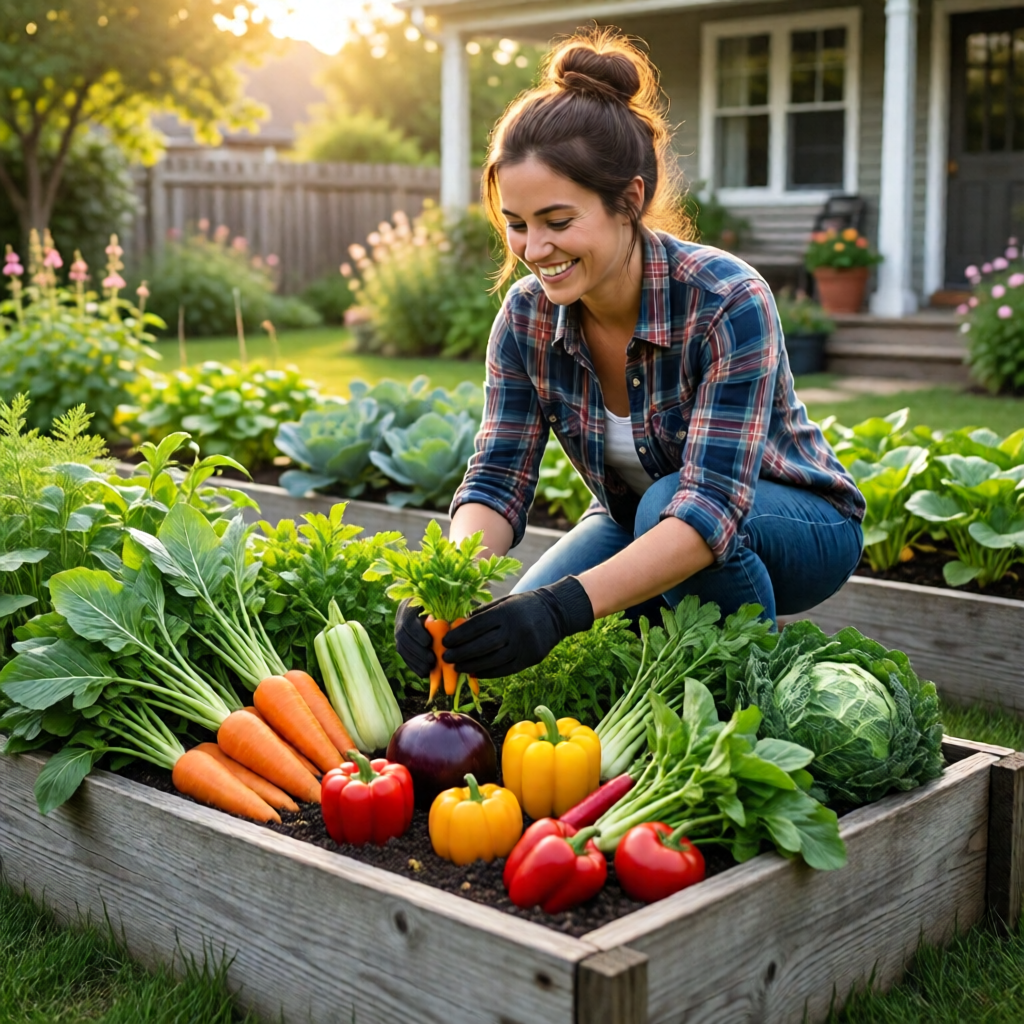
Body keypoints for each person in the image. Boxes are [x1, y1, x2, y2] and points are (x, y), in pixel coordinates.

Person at [396, 28, 865, 685]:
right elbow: (498, 478)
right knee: (518, 671)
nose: (534, 250)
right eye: (517, 222)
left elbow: (707, 509)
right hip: (637, 517)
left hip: (798, 524)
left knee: (658, 514)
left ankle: (741, 695)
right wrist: (445, 584)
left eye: (559, 222)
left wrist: (562, 609)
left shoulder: (725, 300)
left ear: (630, 201)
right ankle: (653, 640)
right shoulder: (525, 319)